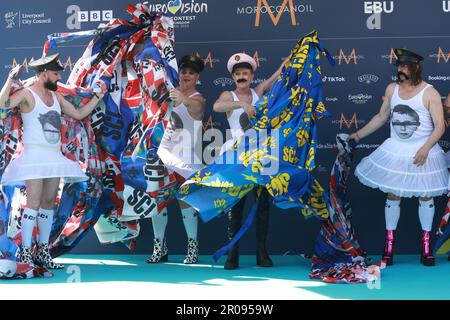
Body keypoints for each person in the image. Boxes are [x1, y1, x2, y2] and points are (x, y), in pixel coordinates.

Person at [0, 53, 105, 269]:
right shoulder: (27, 94)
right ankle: (26, 254)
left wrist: (97, 97)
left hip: (53, 157)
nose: (58, 78)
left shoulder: (56, 97)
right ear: (43, 74)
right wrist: (10, 80)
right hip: (32, 157)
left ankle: (43, 252)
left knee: (48, 204)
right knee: (34, 204)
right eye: (56, 73)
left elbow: (78, 114)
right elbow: (2, 105)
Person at [349, 48, 448, 266]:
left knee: (426, 196)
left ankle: (426, 247)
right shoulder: (392, 89)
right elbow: (381, 117)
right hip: (396, 150)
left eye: (404, 66)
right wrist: (356, 135)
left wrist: (426, 148)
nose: (400, 70)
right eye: (398, 66)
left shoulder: (429, 92)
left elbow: (439, 126)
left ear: (415, 68)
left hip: (423, 153)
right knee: (393, 196)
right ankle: (389, 247)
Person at [213, 53, 284, 269]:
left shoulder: (258, 91)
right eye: (238, 74)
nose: (241, 77)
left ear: (251, 76)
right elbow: (217, 107)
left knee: (262, 205)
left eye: (245, 73)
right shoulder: (228, 95)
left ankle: (262, 253)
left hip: (261, 155)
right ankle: (232, 253)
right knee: (236, 206)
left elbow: (277, 76)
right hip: (237, 155)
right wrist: (241, 106)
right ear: (233, 77)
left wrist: (289, 60)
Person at [149, 54, 206, 264]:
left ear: (197, 77)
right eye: (183, 71)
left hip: (186, 161)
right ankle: (159, 248)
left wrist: (182, 99)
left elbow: (196, 108)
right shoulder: (167, 92)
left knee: (186, 203)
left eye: (191, 73)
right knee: (158, 202)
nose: (186, 76)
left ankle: (192, 248)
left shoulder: (199, 98)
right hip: (162, 156)